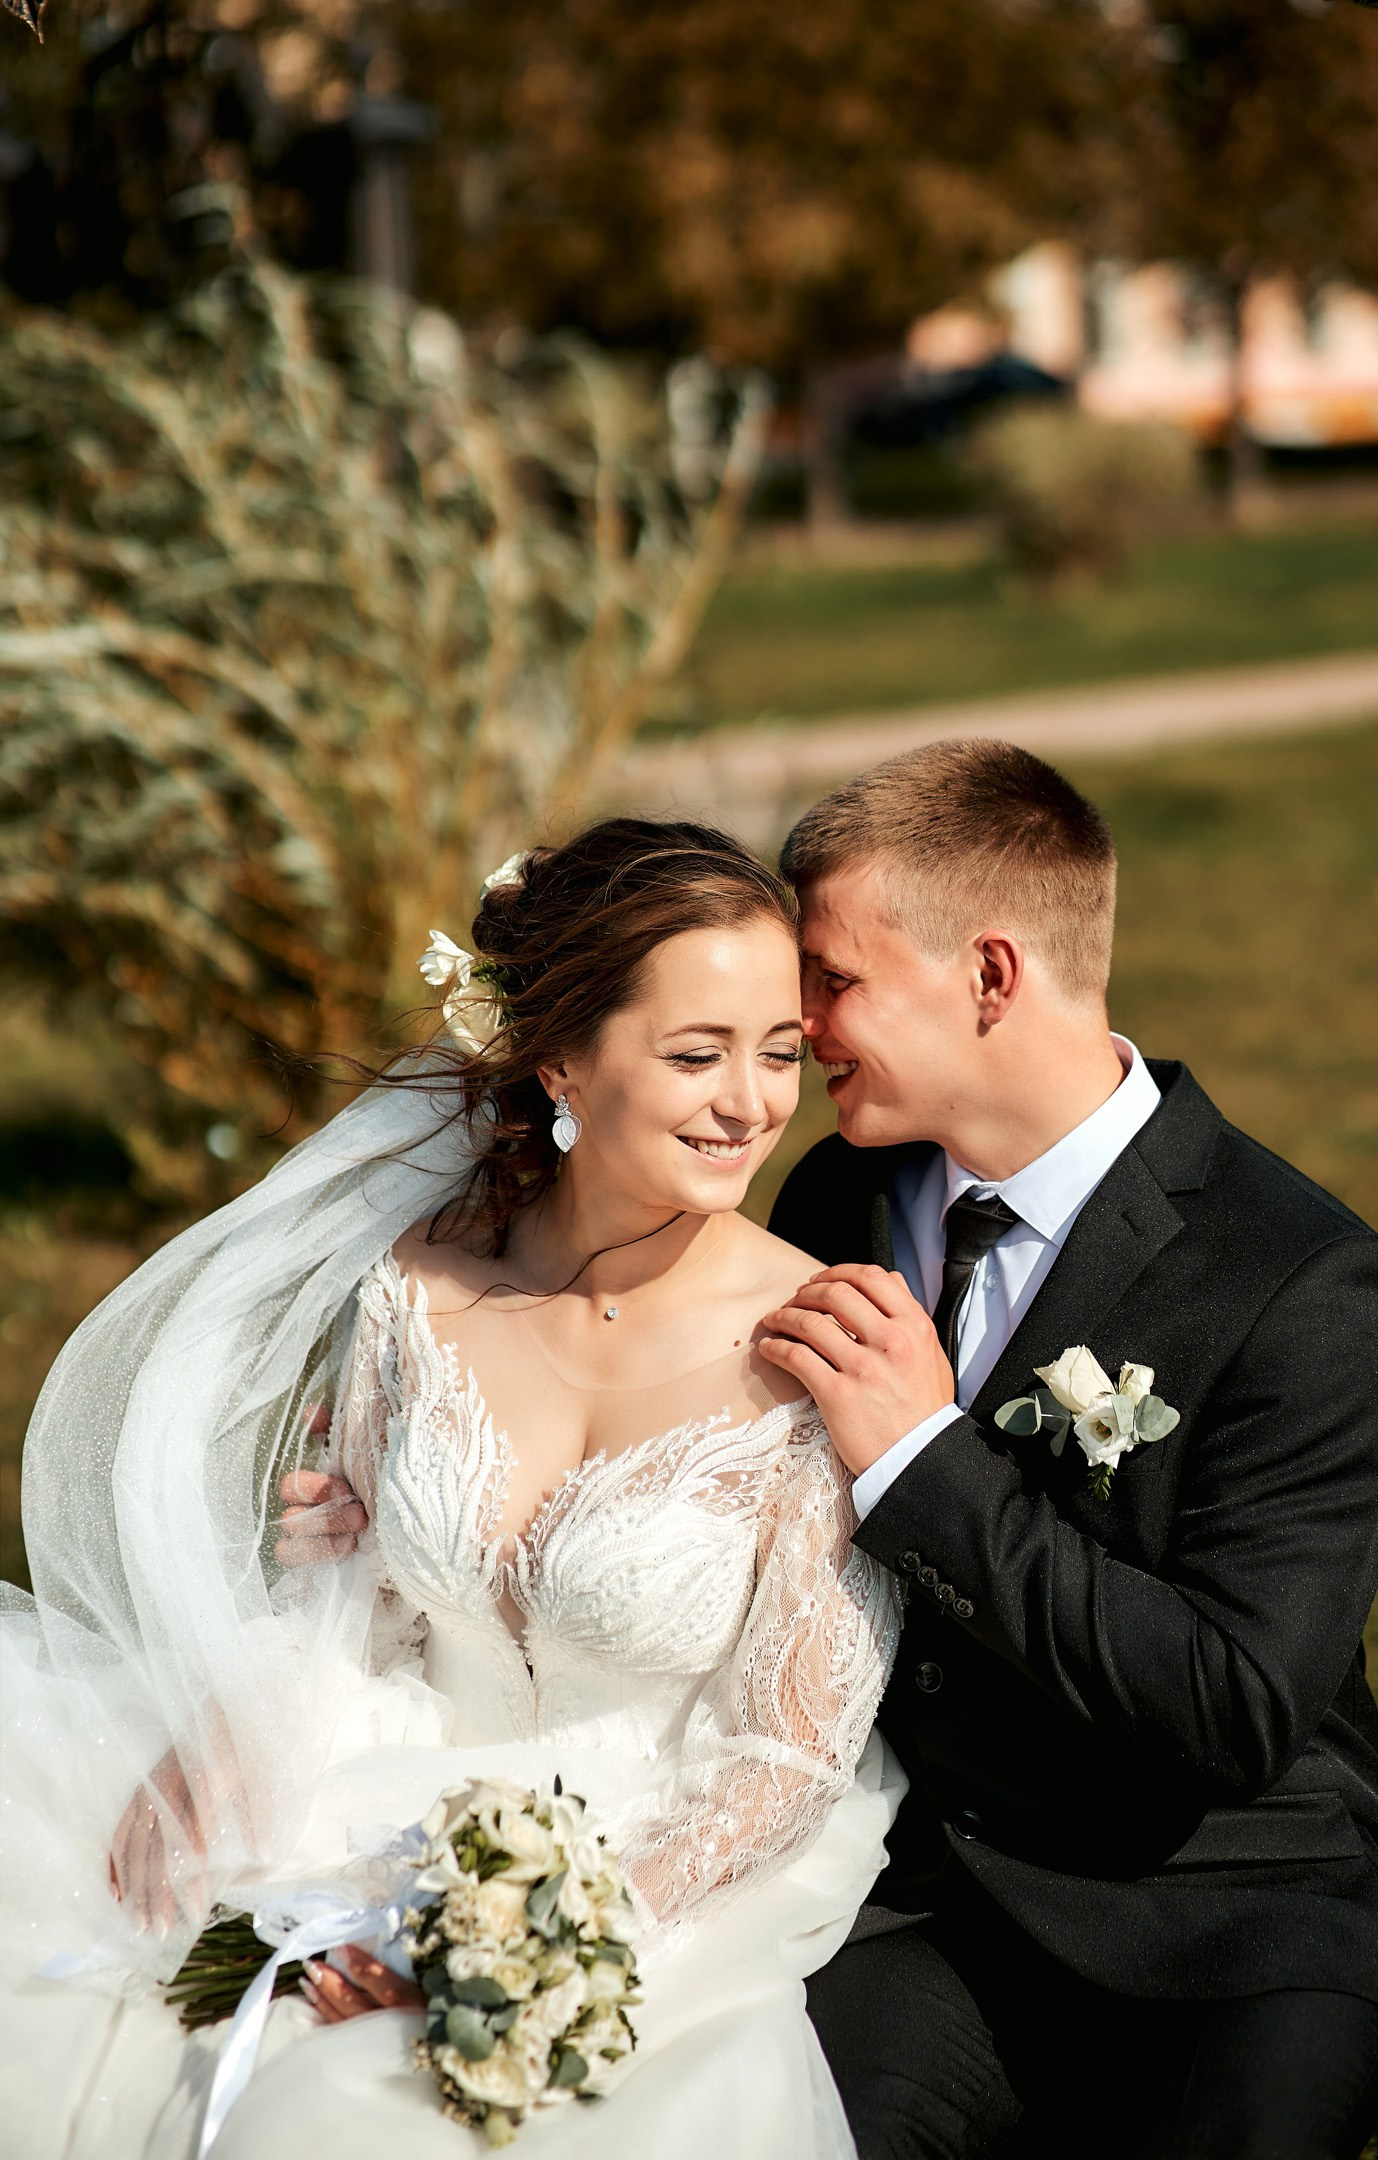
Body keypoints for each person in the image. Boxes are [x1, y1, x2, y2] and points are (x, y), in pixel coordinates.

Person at [270, 741, 1378, 2157]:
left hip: (1235, 1911)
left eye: (831, 983)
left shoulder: (1301, 1280)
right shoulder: (836, 1186)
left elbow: (1237, 1704)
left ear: (991, 977)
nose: (798, 1034)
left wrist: (923, 1462)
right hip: (923, 1903)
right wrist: (391, 1513)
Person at [0, 819, 905, 2160]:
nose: (753, 1104)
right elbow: (356, 1607)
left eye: (779, 1052)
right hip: (375, 1785)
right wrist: (228, 1742)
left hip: (646, 1880)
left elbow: (782, 1760)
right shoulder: (420, 1286)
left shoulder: (816, 1346)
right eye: (697, 1054)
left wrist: (530, 1959)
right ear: (561, 1061)